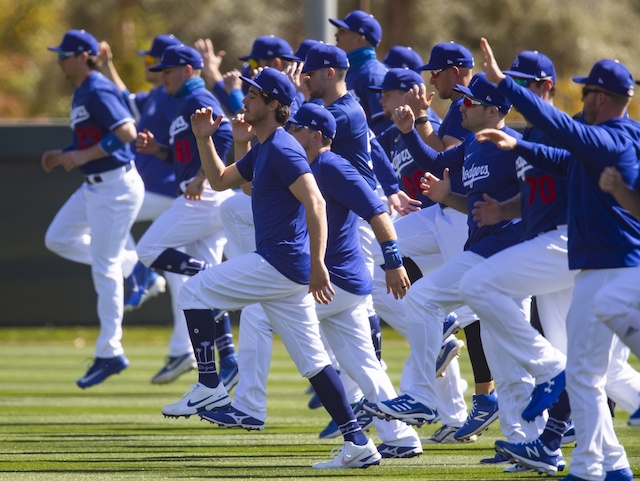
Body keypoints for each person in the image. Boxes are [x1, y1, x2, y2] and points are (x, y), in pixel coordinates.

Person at [161, 68, 381, 469]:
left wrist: (318, 264)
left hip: (280, 262)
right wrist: (203, 139)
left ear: (276, 105)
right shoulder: (265, 148)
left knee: (194, 291)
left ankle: (209, 383)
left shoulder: (282, 148)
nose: (246, 98)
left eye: (255, 94)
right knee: (314, 362)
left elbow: (315, 203)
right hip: (286, 270)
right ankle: (358, 442)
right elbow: (220, 179)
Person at [201, 102, 423, 459]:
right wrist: (242, 144)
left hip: (336, 280)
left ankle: (249, 406)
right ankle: (401, 438)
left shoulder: (332, 165)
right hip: (338, 283)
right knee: (363, 364)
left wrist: (394, 263)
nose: (290, 131)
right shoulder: (295, 161)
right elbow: (247, 188)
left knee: (260, 314)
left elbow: (378, 212)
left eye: (297, 127)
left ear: (316, 135)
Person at [477, 36, 639, 481]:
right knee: (592, 372)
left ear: (602, 98)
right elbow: (565, 161)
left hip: (612, 268)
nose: (582, 97)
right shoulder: (611, 139)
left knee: (588, 372)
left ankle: (590, 468)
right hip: (605, 266)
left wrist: (504, 86)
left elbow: (566, 134)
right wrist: (520, 148)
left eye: (587, 91)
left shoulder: (610, 138)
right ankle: (611, 466)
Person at [364, 73, 545, 463]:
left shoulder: (514, 147)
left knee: (425, 298)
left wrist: (509, 215)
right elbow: (434, 163)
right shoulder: (472, 146)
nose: (461, 105)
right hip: (486, 252)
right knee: (504, 358)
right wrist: (411, 133)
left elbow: (539, 197)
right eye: (462, 99)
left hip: (505, 256)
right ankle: (526, 443)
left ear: (493, 111)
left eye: (469, 101)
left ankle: (424, 398)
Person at [372, 42, 500, 449]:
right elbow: (435, 161)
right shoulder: (465, 112)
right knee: (378, 245)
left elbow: (444, 156)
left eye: (437, 71)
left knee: (481, 314)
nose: (430, 78)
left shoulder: (484, 117)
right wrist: (412, 131)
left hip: (470, 226)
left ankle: (486, 396)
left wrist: (421, 121)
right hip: (443, 213)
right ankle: (444, 358)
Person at [99, 34, 203, 385]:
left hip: (170, 193)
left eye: (157, 63)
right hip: (169, 191)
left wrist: (202, 175)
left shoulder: (184, 97)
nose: (151, 67)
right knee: (179, 277)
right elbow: (126, 100)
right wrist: (108, 66)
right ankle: (184, 349)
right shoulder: (161, 96)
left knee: (107, 208)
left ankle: (141, 272)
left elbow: (216, 137)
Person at [133, 44, 239, 390]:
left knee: (148, 250)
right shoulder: (183, 103)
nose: (162, 76)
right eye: (161, 70)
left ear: (189, 70)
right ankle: (230, 361)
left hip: (204, 195)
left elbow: (223, 134)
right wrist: (157, 150)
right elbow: (181, 158)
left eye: (169, 70)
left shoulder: (197, 97)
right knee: (202, 292)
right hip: (200, 194)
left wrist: (201, 177)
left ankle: (213, 274)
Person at [43, 29, 144, 388]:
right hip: (95, 187)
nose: (59, 60)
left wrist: (82, 155)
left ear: (83, 57)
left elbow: (128, 132)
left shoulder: (98, 88)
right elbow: (88, 137)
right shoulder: (83, 91)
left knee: (104, 268)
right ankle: (135, 266)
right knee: (58, 238)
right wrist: (66, 153)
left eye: (64, 54)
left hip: (116, 186)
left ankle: (110, 352)